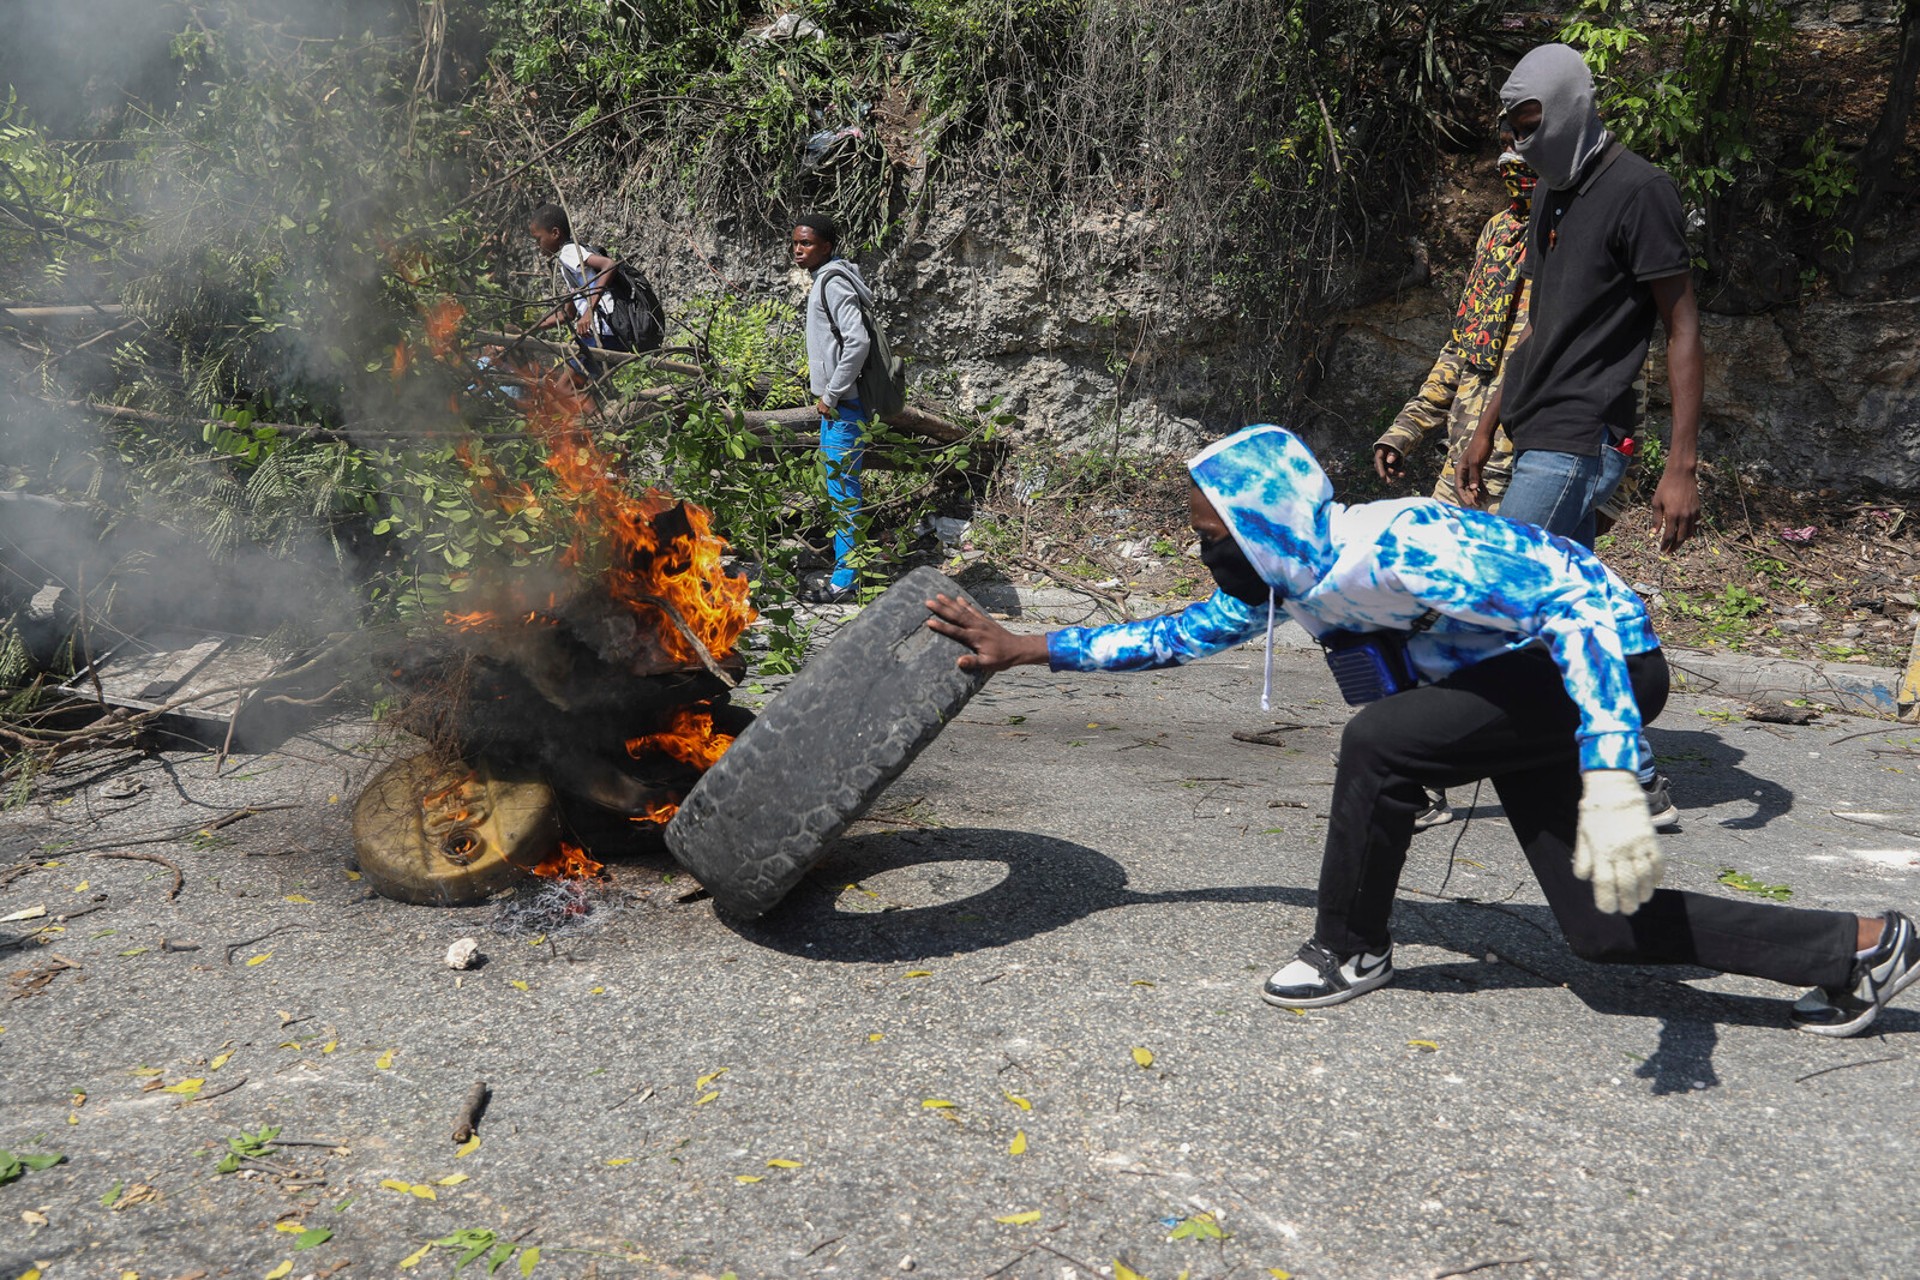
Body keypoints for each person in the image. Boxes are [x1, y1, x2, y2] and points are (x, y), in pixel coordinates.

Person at [926, 424, 1917, 1036]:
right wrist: (1023, 648)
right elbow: (1175, 634)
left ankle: (1349, 945)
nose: (1202, 548)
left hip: (1608, 659)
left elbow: (1576, 607)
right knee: (1602, 928)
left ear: (1262, 524)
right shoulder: (1299, 573)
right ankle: (1857, 946)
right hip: (1518, 680)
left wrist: (1615, 770)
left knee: (1385, 739)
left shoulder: (1403, 544)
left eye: (1213, 533)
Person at [1456, 43, 1703, 555]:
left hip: (1579, 436)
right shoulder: (1548, 191)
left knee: (1499, 588)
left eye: (1532, 124)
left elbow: (1683, 329)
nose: (1524, 142)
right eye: (1515, 130)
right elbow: (1535, 326)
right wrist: (1485, 429)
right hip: (1533, 429)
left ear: (1571, 107)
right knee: (1562, 610)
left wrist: (1681, 466)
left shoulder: (1643, 191)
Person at [792, 213, 873, 605]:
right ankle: (850, 572)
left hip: (844, 407)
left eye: (806, 243)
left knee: (844, 493)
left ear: (826, 245)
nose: (798, 250)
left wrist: (832, 393)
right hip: (841, 405)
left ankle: (845, 582)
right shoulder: (830, 279)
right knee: (841, 490)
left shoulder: (833, 281)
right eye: (795, 243)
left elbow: (856, 342)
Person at [527, 202, 624, 389]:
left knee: (563, 388)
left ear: (555, 233)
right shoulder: (568, 265)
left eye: (538, 239)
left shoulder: (568, 253)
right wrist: (535, 327)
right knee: (584, 388)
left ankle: (595, 415)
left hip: (601, 332)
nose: (538, 246)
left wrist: (588, 312)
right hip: (607, 334)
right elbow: (568, 314)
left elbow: (609, 265)